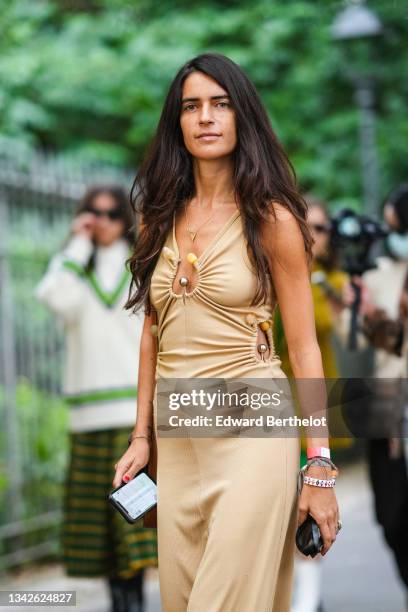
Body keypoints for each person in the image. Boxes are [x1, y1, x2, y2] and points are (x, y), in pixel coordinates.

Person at [112, 52, 340, 612]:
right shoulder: (157, 216)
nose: (206, 117)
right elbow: (152, 332)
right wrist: (142, 437)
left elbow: (305, 347)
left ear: (243, 118)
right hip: (179, 439)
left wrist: (320, 467)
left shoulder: (274, 218)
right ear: (177, 122)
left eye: (221, 104)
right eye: (192, 106)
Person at [35, 185, 158, 612]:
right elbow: (52, 298)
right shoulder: (73, 267)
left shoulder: (140, 264)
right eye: (93, 212)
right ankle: (119, 604)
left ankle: (135, 604)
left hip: (131, 416)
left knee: (135, 525)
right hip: (87, 418)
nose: (102, 219)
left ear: (124, 217)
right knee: (102, 534)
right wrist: (77, 242)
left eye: (110, 212)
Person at [273, 196, 352, 612]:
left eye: (320, 229)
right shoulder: (272, 270)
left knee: (306, 505)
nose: (311, 235)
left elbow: (332, 327)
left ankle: (305, 599)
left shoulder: (329, 281)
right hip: (271, 405)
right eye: (306, 226)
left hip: (312, 407)